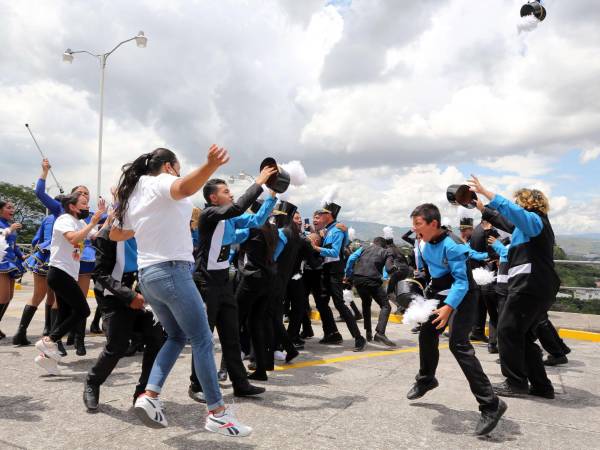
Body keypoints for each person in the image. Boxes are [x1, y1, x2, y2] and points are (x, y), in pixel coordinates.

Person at [110, 145, 252, 436]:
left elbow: (115, 233)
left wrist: (148, 225)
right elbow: (184, 188)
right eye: (178, 167)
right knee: (202, 338)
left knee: (176, 336)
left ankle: (149, 396)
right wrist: (210, 165)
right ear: (169, 167)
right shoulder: (160, 181)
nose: (179, 172)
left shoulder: (135, 191)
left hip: (148, 276)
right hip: (172, 270)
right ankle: (217, 413)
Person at [405, 203, 506, 436]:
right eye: (413, 224)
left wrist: (448, 308)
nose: (414, 228)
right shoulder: (422, 243)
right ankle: (426, 379)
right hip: (439, 293)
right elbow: (429, 273)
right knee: (427, 334)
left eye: (418, 224)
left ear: (433, 223)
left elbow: (461, 282)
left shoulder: (452, 245)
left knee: (458, 345)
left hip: (463, 295)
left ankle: (491, 404)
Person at [187, 169, 277, 401]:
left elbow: (256, 220)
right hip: (205, 283)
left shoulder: (228, 220)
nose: (231, 194)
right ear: (213, 198)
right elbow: (237, 209)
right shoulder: (209, 215)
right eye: (226, 191)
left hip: (224, 282)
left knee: (231, 334)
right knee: (203, 336)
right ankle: (196, 385)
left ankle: (240, 383)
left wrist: (272, 196)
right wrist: (258, 183)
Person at [468, 176, 559, 400]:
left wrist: (486, 192)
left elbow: (511, 213)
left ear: (529, 204)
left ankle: (515, 382)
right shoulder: (525, 228)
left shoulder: (536, 221)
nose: (516, 205)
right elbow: (504, 220)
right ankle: (541, 386)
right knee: (522, 336)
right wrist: (481, 206)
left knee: (507, 330)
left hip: (530, 287)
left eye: (519, 202)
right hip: (535, 287)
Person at [83, 214, 165, 411]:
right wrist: (129, 296)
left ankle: (143, 393)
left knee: (156, 340)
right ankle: (92, 383)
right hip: (115, 296)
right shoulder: (107, 233)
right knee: (117, 346)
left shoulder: (148, 230)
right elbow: (100, 273)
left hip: (145, 292)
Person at [33, 193, 106, 374]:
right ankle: (49, 340)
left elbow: (96, 235)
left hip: (68, 275)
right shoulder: (63, 219)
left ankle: (47, 359)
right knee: (83, 310)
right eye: (83, 203)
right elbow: (73, 238)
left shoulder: (79, 222)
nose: (87, 207)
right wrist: (91, 222)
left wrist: (109, 217)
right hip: (59, 273)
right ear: (72, 206)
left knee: (64, 316)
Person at [311, 204, 366, 352]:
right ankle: (332, 333)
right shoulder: (329, 230)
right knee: (322, 303)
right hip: (327, 270)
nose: (319, 216)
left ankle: (358, 337)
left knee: (339, 304)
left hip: (335, 271)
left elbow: (335, 252)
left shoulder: (336, 230)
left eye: (322, 213)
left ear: (329, 215)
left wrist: (316, 248)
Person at [344, 237, 397, 347]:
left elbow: (351, 259)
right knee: (386, 306)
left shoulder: (363, 247)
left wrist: (348, 274)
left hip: (357, 279)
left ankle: (368, 332)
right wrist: (393, 269)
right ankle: (380, 333)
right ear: (384, 245)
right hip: (372, 280)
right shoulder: (386, 251)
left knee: (366, 302)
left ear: (373, 242)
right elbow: (388, 268)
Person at [13, 213, 56, 346]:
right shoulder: (67, 217)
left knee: (37, 295)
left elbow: (36, 239)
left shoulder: (47, 218)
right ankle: (49, 331)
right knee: (54, 297)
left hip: (41, 257)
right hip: (56, 257)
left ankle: (20, 332)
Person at [0, 200, 26, 339]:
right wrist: (10, 229)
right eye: (8, 208)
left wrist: (22, 255)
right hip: (1, 262)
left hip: (11, 262)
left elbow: (13, 245)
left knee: (8, 297)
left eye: (13, 208)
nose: (12, 210)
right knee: (3, 297)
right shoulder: (4, 226)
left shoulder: (9, 225)